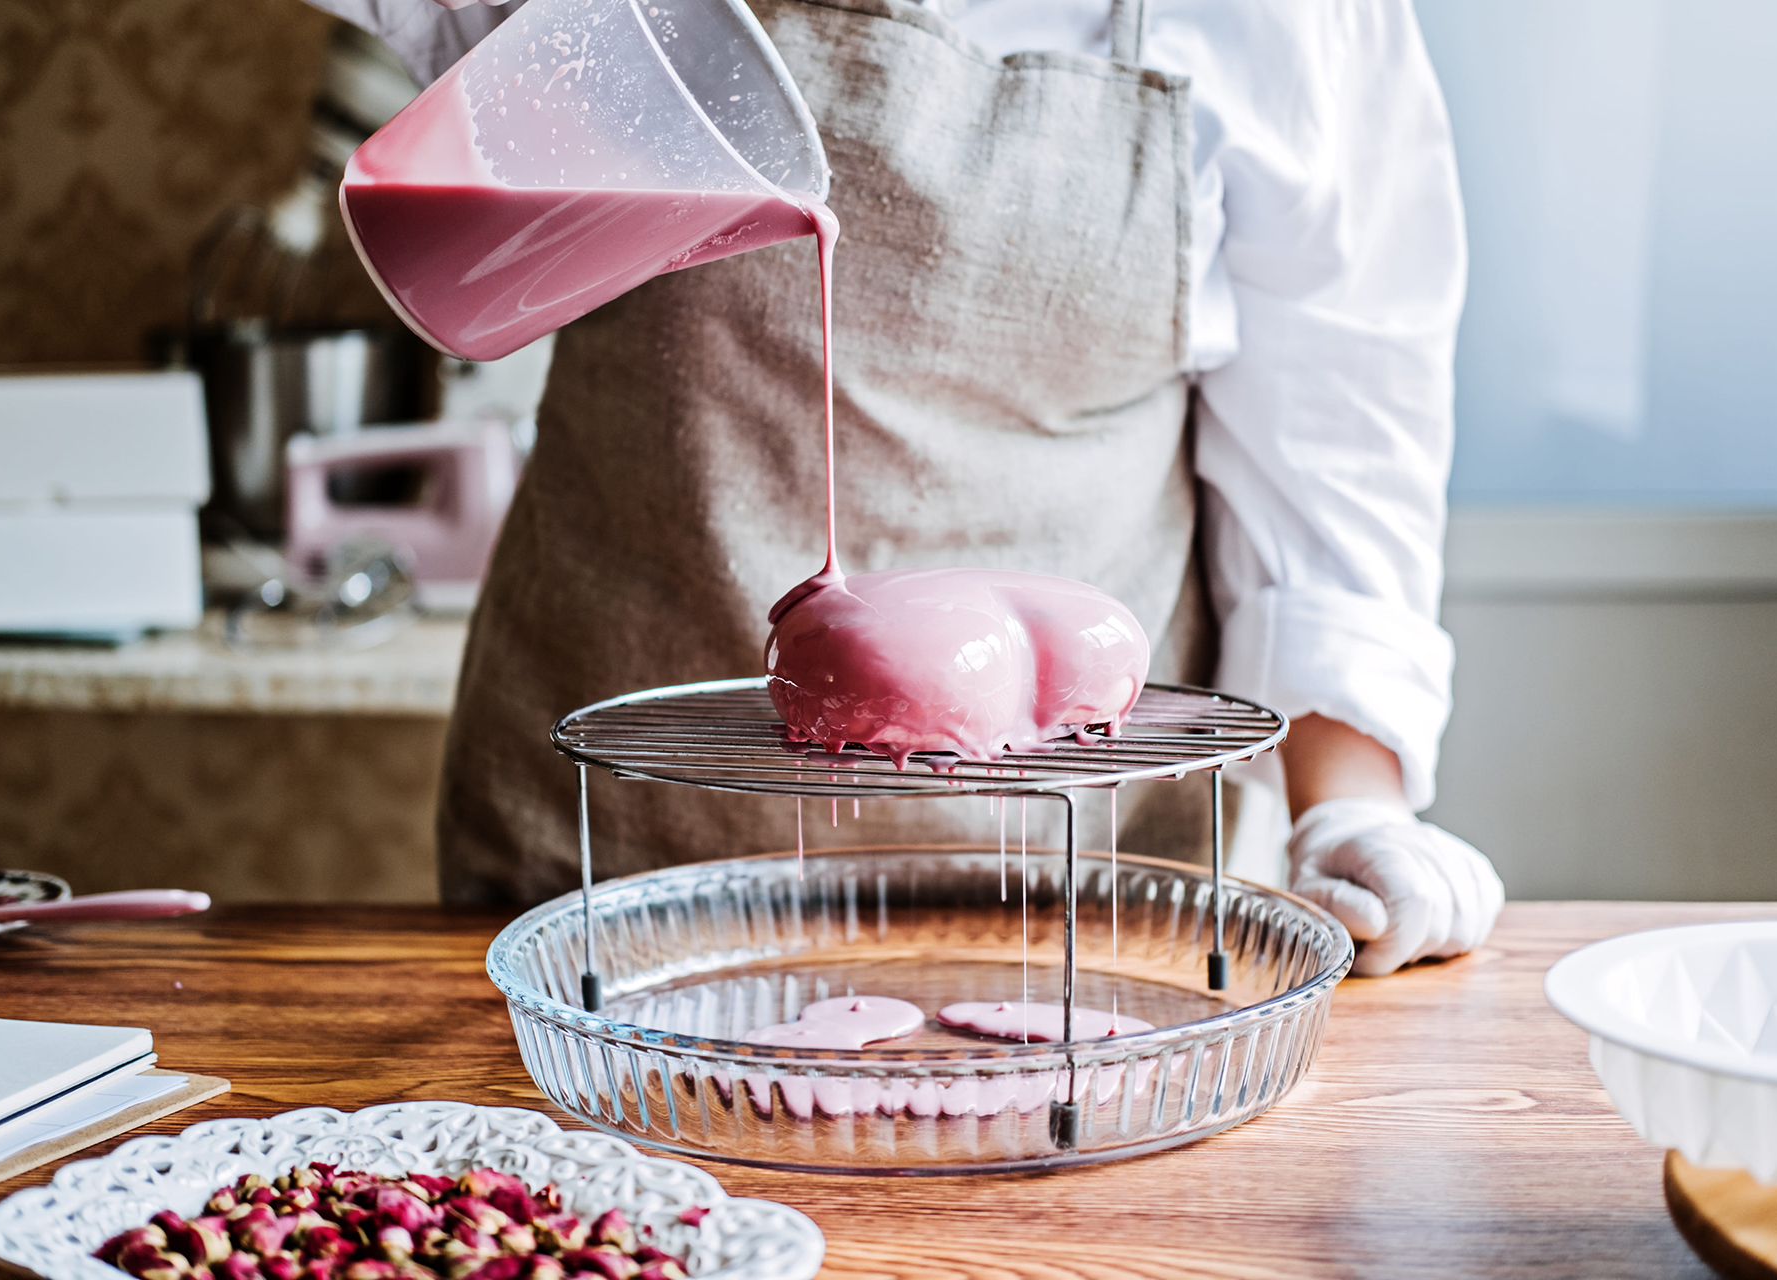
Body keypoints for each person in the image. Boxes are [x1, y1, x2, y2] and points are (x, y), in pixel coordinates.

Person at [310, 0, 1503, 975]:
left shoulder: (1290, 25)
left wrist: (1353, 810)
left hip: (1086, 911)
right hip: (607, 889)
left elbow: (1340, 427)